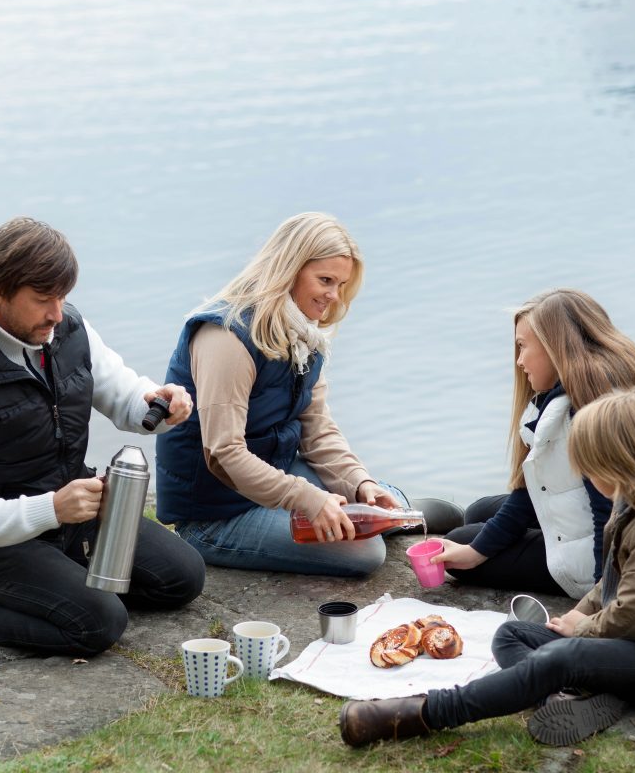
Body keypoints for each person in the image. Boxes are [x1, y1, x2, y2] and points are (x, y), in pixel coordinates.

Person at [340, 389, 635, 747]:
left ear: (620, 463)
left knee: (560, 657)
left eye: (589, 465)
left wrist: (580, 630)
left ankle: (424, 713)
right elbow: (614, 580)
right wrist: (580, 614)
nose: (584, 473)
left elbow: (630, 619)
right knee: (511, 635)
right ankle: (568, 700)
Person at [0, 217, 205, 656]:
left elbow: (122, 394)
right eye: (44, 299)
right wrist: (53, 508)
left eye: (63, 297)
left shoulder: (65, 328)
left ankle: (54, 575)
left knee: (183, 577)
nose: (57, 314)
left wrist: (157, 402)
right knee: (99, 622)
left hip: (66, 514)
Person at [154, 212, 462, 577]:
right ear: (289, 269)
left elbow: (317, 426)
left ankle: (390, 507)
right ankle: (391, 514)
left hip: (274, 469)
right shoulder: (225, 337)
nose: (334, 296)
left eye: (341, 284)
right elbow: (224, 453)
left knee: (366, 501)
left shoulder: (302, 332)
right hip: (214, 512)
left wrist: (359, 481)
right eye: (325, 280)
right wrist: (305, 497)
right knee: (364, 552)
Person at [432, 289, 635, 599]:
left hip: (611, 555)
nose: (519, 361)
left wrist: (601, 603)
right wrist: (477, 550)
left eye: (522, 346)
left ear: (554, 347)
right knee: (478, 513)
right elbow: (538, 486)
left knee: (463, 537)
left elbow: (608, 515)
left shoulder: (584, 408)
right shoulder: (616, 376)